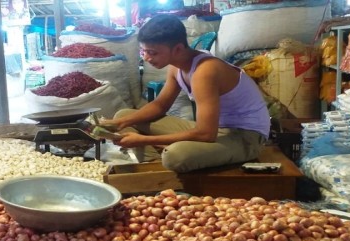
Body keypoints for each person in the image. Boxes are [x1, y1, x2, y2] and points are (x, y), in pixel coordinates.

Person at [101, 14, 270, 173]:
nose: (146, 58)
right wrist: (119, 122)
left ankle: (162, 163)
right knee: (125, 115)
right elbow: (160, 106)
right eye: (143, 51)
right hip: (215, 129)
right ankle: (154, 164)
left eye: (153, 52)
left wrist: (144, 140)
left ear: (178, 48)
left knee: (175, 155)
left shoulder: (205, 71)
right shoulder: (177, 66)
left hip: (246, 137)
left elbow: (206, 134)